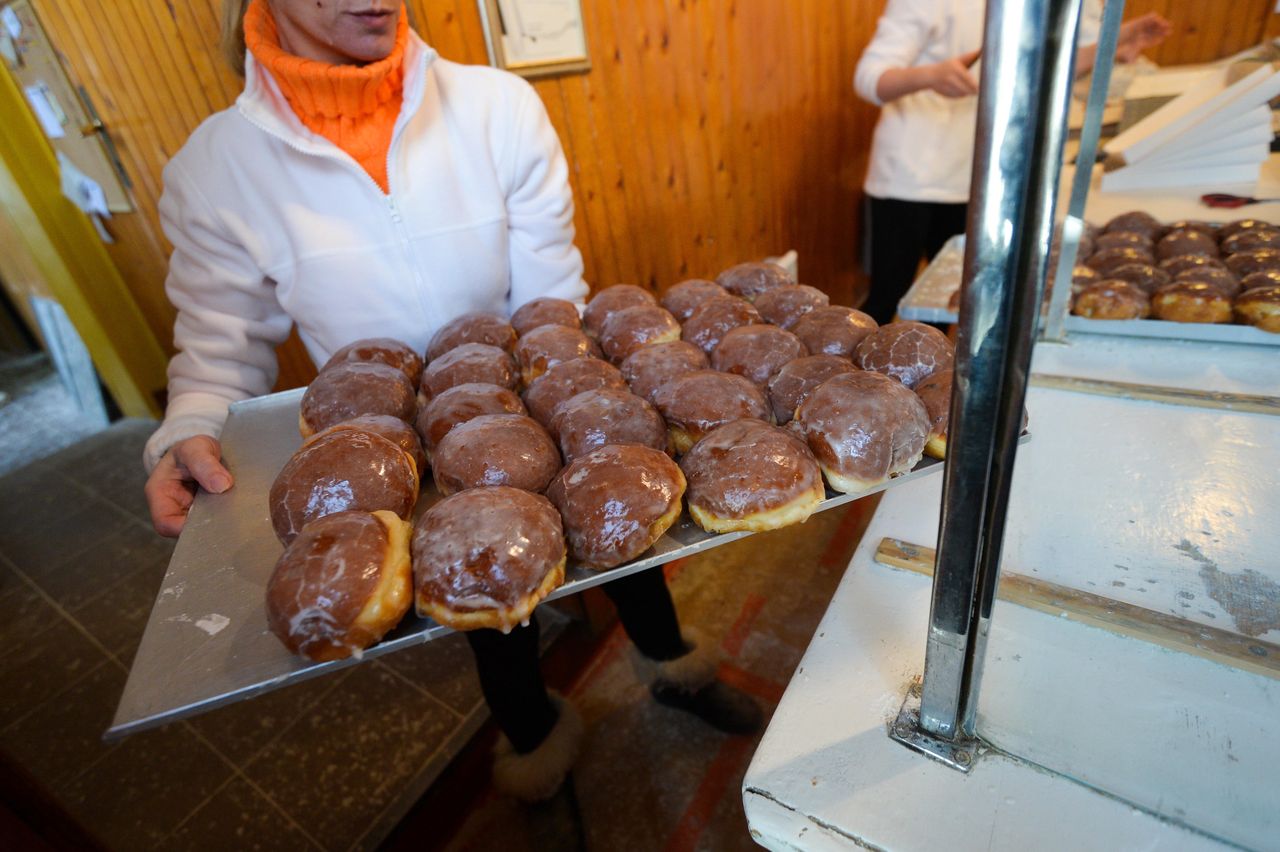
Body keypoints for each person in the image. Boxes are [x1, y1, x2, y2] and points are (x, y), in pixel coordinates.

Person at [142, 0, 760, 802]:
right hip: (389, 450)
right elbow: (220, 341)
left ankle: (675, 669)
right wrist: (189, 427)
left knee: (631, 542)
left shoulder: (497, 109)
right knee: (487, 608)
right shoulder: (215, 168)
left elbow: (549, 297)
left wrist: (575, 400)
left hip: (536, 409)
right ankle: (538, 743)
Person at [853, 0, 1171, 324]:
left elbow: (1048, 65)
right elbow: (868, 77)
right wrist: (929, 76)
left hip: (976, 176)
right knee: (887, 296)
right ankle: (857, 376)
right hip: (908, 177)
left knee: (947, 303)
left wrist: (1117, 40)